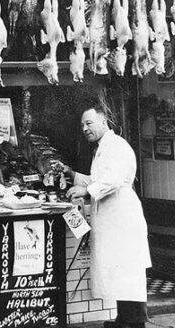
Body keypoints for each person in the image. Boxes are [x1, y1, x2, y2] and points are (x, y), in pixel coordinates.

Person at [65, 104, 151, 328]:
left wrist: (86, 191)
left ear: (104, 122)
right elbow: (98, 179)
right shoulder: (104, 147)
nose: (85, 128)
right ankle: (124, 319)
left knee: (129, 271)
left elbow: (112, 180)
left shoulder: (116, 146)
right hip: (112, 218)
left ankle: (136, 322)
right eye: (82, 125)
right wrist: (72, 174)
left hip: (122, 217)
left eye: (89, 123)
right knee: (119, 271)